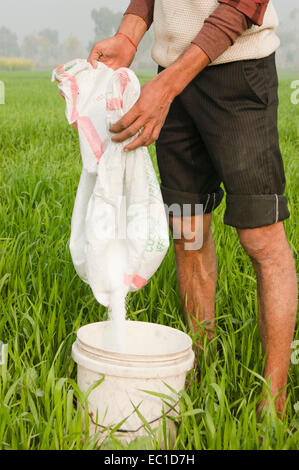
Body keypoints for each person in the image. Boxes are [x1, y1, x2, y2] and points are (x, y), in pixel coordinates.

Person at [88, 0, 297, 417]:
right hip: (174, 80)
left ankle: (273, 398)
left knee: (261, 239)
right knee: (189, 232)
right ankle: (199, 376)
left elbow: (242, 5)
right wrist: (130, 35)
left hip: (239, 74)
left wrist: (166, 88)